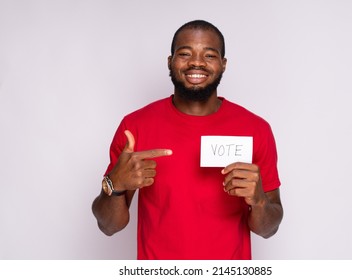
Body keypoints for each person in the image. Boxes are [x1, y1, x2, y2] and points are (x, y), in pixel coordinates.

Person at [92, 19, 283, 260]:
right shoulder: (135, 127)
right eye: (185, 53)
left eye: (209, 55)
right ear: (170, 62)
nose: (196, 62)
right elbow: (108, 226)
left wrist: (260, 201)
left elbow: (269, 229)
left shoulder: (256, 129)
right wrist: (114, 186)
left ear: (223, 65)